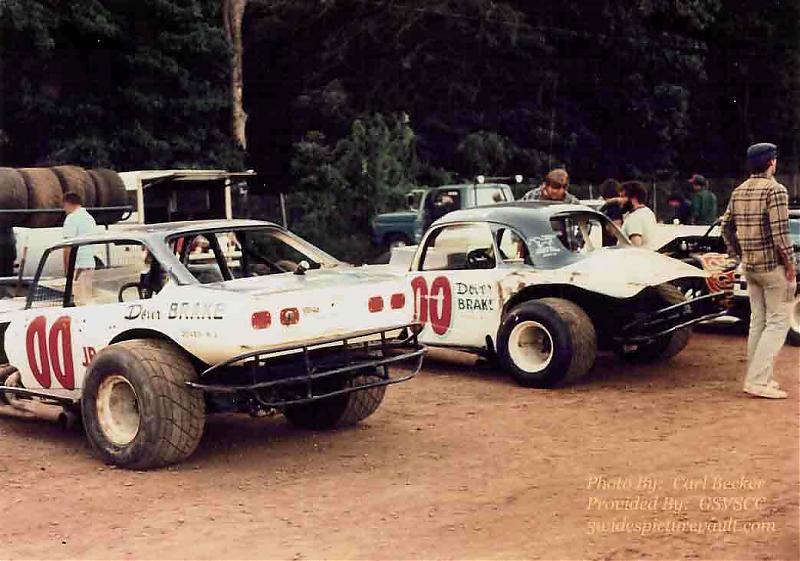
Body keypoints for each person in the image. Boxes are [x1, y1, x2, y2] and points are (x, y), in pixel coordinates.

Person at [721, 142, 795, 399]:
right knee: (778, 322)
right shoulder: (776, 190)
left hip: (750, 267)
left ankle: (758, 377)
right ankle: (757, 380)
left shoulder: (739, 190)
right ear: (771, 162)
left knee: (758, 322)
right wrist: (791, 265)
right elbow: (780, 233)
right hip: (772, 267)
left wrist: (737, 254)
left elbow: (725, 227)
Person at [62, 192, 97, 305]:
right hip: (90, 263)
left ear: (67, 203)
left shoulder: (71, 218)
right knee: (87, 297)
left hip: (77, 265)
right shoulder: (89, 218)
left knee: (79, 300)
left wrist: (67, 269)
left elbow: (67, 245)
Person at [619, 181, 656, 248]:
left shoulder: (634, 218)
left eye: (622, 197)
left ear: (634, 199)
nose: (620, 201)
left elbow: (636, 246)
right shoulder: (648, 212)